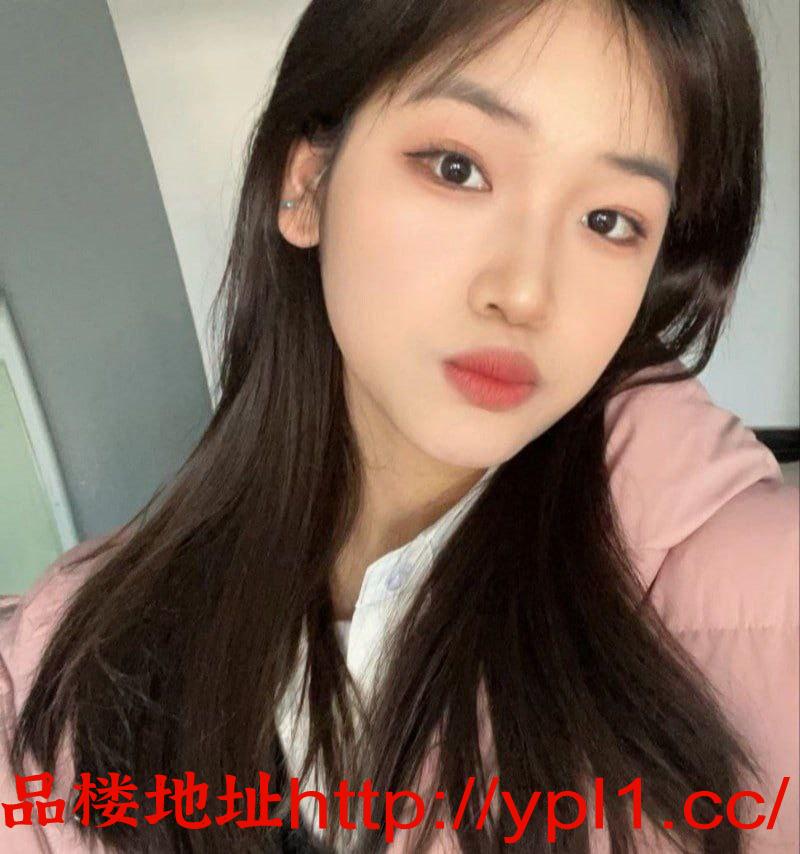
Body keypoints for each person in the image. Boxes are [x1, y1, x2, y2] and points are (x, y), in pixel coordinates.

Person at [1, 0, 797, 852]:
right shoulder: (62, 649)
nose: (526, 293)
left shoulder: (757, 599)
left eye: (610, 221)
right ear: (307, 186)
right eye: (458, 168)